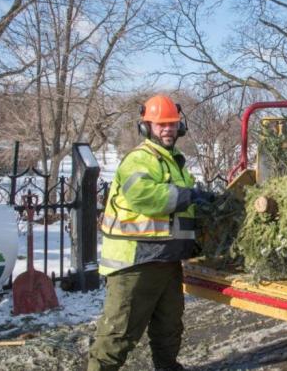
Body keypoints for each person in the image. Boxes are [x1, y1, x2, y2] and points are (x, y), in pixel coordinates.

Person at [88, 94, 213, 371]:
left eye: (172, 124)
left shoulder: (174, 161)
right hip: (136, 262)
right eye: (161, 124)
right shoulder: (140, 159)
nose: (167, 129)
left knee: (169, 328)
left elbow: (180, 212)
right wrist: (190, 196)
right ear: (146, 127)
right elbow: (144, 196)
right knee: (118, 334)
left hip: (167, 260)